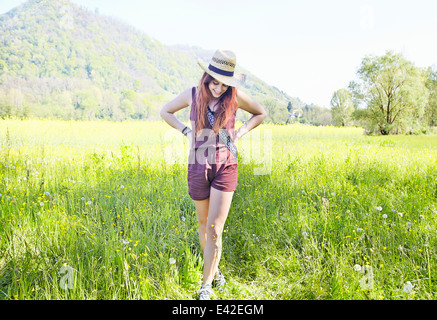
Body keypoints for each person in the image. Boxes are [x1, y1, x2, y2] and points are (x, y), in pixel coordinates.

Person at [160, 49, 267, 300]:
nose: (218, 88)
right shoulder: (193, 94)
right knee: (203, 224)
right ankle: (215, 271)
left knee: (215, 229)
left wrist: (240, 132)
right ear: (206, 77)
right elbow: (165, 112)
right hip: (198, 164)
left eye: (224, 83)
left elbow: (261, 112)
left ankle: (205, 287)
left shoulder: (235, 97)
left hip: (225, 165)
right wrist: (186, 131)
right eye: (214, 81)